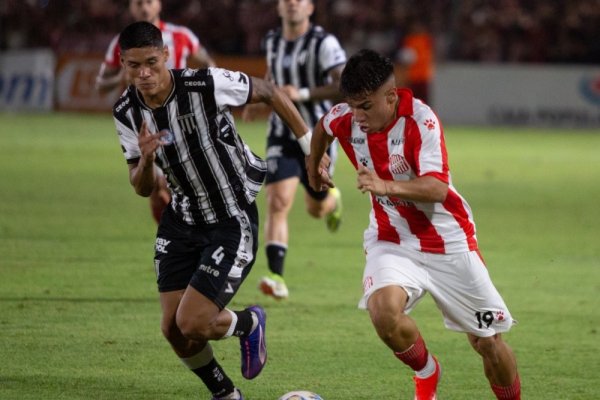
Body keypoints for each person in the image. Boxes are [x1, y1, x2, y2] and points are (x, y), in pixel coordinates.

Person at [112, 21, 312, 400]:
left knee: (192, 322)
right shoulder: (126, 112)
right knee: (172, 329)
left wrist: (309, 149)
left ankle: (249, 322)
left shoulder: (203, 84)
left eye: (152, 63)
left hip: (230, 217)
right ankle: (225, 394)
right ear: (123, 63)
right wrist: (147, 162)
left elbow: (269, 91)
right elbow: (141, 187)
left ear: (166, 56)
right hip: (181, 219)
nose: (145, 74)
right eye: (134, 65)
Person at [307, 49, 521, 400]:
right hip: (391, 238)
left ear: (390, 96)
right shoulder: (346, 116)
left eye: (365, 106)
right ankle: (427, 372)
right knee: (383, 312)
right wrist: (314, 165)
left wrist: (385, 185)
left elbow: (436, 189)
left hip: (447, 242)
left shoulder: (421, 122)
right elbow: (323, 127)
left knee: (488, 343)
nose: (357, 116)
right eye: (352, 105)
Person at [243, 0, 347, 300]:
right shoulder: (273, 40)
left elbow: (341, 85)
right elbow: (273, 73)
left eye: (298, 0)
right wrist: (259, 98)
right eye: (286, 0)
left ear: (310, 8)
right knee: (278, 201)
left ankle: (331, 201)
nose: (291, 4)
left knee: (316, 208)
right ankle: (276, 276)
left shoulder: (324, 43)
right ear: (278, 7)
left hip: (318, 135)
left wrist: (299, 94)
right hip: (281, 133)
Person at [98, 0, 216, 224]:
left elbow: (207, 63)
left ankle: (188, 231)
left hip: (185, 120)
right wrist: (119, 78)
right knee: (156, 189)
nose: (144, 7)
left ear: (159, 5)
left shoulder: (182, 36)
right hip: (148, 122)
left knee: (187, 184)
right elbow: (101, 84)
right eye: (138, 3)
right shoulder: (121, 43)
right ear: (131, 8)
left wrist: (209, 90)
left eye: (149, 2)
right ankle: (174, 237)